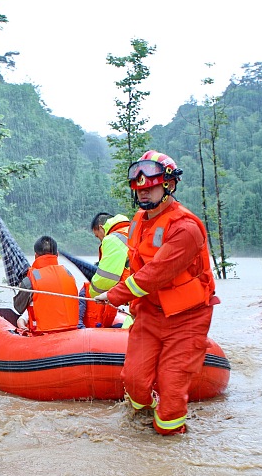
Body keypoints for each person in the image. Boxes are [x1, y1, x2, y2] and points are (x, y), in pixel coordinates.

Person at [94, 150, 219, 435]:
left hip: (186, 320)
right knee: (135, 381)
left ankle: (170, 449)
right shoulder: (138, 220)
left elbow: (155, 273)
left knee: (172, 390)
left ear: (169, 185)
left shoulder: (186, 228)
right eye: (140, 189)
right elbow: (136, 265)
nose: (144, 194)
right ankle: (142, 428)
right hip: (149, 314)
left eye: (150, 188)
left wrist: (114, 295)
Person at [13, 235, 81, 333]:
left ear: (36, 256)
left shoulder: (30, 280)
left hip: (43, 335)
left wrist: (21, 287)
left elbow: (18, 307)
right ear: (57, 254)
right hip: (72, 333)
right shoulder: (68, 274)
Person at [81, 212, 131, 329]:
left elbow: (106, 279)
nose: (100, 240)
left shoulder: (113, 239)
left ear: (101, 228)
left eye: (98, 236)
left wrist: (94, 292)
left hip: (140, 299)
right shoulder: (131, 231)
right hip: (143, 293)